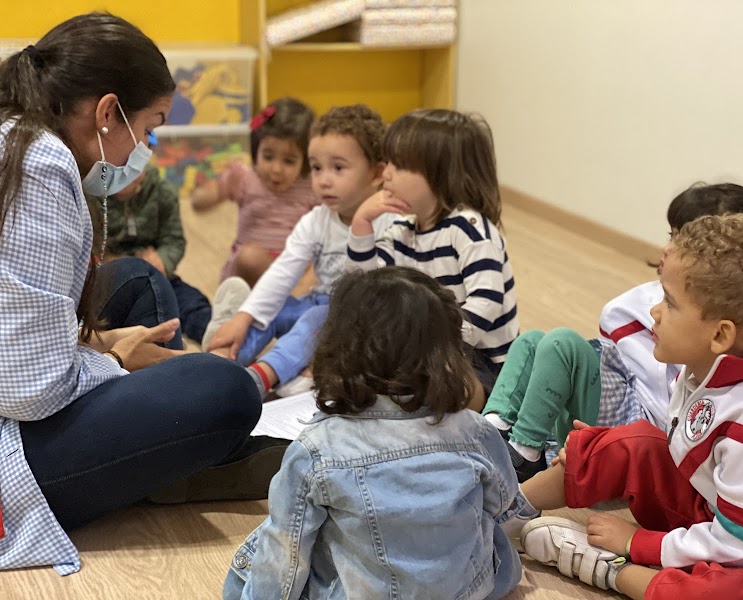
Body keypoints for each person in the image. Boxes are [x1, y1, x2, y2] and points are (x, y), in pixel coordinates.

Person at [0, 13, 287, 575]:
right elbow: (26, 392)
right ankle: (173, 459)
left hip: (16, 378)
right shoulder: (41, 167)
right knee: (226, 389)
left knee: (134, 278)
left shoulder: (20, 134)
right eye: (149, 126)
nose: (149, 145)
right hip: (13, 434)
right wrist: (114, 360)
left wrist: (103, 342)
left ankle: (163, 458)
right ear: (108, 112)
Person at [520, 214, 743, 599]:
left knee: (719, 593)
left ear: (721, 335)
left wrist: (639, 544)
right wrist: (607, 446)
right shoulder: (710, 367)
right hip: (716, 514)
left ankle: (614, 571)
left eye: (669, 302)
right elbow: (677, 444)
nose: (653, 311)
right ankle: (508, 505)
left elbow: (739, 545)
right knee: (633, 442)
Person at [222, 266, 528, 600]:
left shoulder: (317, 450)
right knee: (495, 544)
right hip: (467, 590)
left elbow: (285, 557)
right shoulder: (475, 430)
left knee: (268, 543)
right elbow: (504, 504)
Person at [482, 183, 743, 482]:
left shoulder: (735, 385)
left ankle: (525, 454)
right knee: (533, 341)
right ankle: (490, 429)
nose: (668, 249)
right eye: (672, 235)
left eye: (682, 239)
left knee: (561, 346)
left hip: (638, 430)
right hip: (625, 403)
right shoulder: (650, 314)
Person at [205, 104, 395, 398]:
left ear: (376, 173)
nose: (323, 179)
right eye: (317, 167)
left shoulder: (390, 222)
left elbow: (375, 298)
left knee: (314, 318)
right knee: (269, 311)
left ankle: (261, 377)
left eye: (338, 168)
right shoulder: (317, 219)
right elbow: (282, 272)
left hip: (360, 319)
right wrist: (243, 317)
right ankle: (219, 362)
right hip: (318, 300)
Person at [346, 109, 519, 409]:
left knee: (450, 387)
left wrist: (439, 349)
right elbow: (364, 293)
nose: (385, 173)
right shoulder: (401, 231)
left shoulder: (470, 230)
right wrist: (361, 224)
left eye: (399, 165)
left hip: (482, 362)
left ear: (441, 175)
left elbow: (486, 300)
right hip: (424, 350)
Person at [191, 97, 317, 287]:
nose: (276, 169)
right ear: (256, 149)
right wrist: (209, 192)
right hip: (249, 275)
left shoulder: (309, 185)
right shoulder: (245, 178)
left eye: (289, 161)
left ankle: (286, 303)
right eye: (268, 156)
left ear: (305, 161)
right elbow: (200, 201)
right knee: (249, 257)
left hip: (294, 268)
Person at [91, 162, 212, 344]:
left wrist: (162, 260)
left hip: (157, 275)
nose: (125, 174)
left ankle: (215, 332)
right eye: (117, 167)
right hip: (108, 282)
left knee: (191, 302)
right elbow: (87, 246)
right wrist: (115, 263)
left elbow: (173, 240)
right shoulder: (91, 196)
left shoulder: (163, 192)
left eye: (132, 165)